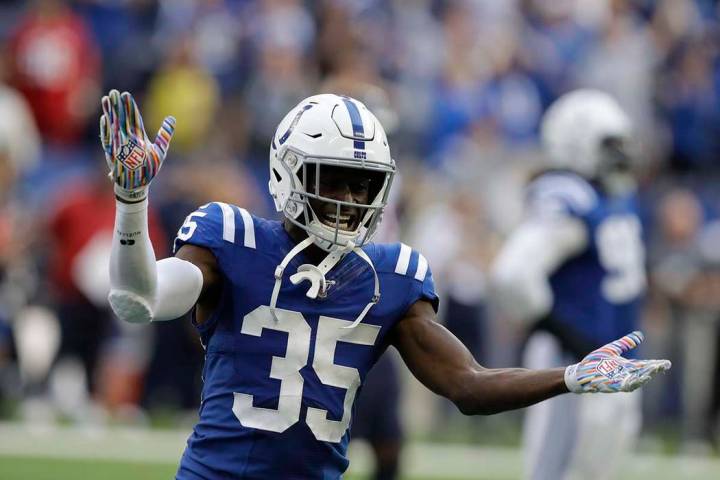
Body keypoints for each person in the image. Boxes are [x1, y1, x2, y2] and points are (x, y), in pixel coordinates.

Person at [101, 89, 670, 480]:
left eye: (361, 185)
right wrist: (132, 204)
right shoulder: (232, 238)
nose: (348, 201)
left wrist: (568, 377)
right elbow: (140, 299)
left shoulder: (391, 276)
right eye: (334, 181)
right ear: (287, 172)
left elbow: (468, 385)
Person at [490, 89, 650, 480]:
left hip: (615, 359)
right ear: (577, 143)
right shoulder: (568, 194)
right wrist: (567, 333)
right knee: (554, 471)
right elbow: (512, 274)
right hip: (572, 359)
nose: (622, 155)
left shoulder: (612, 196)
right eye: (610, 145)